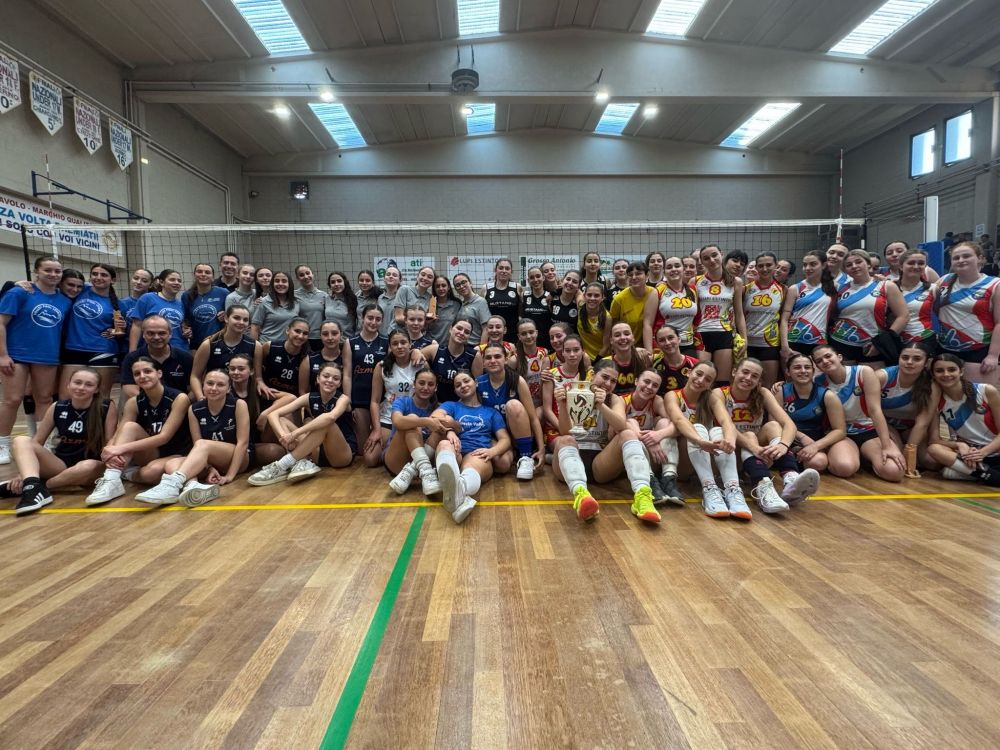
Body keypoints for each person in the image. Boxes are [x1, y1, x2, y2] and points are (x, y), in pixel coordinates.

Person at [549, 359, 661, 524]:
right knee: (565, 439)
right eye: (605, 377)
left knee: (628, 434)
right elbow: (565, 431)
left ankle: (643, 496)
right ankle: (581, 495)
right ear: (593, 374)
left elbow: (621, 425)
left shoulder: (613, 399)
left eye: (613, 381)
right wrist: (562, 403)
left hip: (600, 462)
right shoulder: (573, 391)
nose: (608, 384)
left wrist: (601, 405)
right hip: (571, 456)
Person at [1, 368, 115, 514]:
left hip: (92, 466)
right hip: (60, 464)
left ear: (97, 389)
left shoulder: (105, 406)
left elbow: (110, 441)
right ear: (68, 385)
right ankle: (31, 484)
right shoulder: (58, 407)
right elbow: (37, 441)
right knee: (21, 440)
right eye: (77, 382)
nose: (81, 387)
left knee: (87, 466)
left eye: (88, 384)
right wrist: (21, 474)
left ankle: (39, 487)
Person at [84, 357, 193, 505]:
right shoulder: (133, 402)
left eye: (147, 371)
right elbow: (119, 433)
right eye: (137, 373)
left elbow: (164, 437)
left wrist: (120, 449)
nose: (142, 376)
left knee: (150, 473)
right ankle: (111, 479)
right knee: (129, 427)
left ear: (159, 373)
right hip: (152, 453)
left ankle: (126, 474)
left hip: (177, 453)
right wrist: (108, 449)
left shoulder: (179, 398)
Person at [135, 368, 250, 506]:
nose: (214, 388)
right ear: (203, 385)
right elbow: (197, 446)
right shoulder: (194, 409)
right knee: (172, 463)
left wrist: (230, 475)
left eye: (220, 385)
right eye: (210, 383)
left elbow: (243, 443)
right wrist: (209, 468)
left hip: (238, 459)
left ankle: (173, 484)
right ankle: (193, 487)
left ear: (228, 388)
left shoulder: (238, 404)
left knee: (203, 444)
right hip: (209, 461)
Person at [722, 359, 822, 513]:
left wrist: (783, 445)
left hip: (756, 456)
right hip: (729, 454)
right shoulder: (720, 393)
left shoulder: (762, 393)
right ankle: (762, 488)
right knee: (749, 435)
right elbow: (727, 426)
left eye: (754, 376)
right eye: (745, 372)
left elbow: (789, 425)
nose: (748, 378)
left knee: (773, 425)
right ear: (734, 372)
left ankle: (790, 478)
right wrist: (753, 447)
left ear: (759, 380)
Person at [0, 256, 72, 465]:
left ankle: (44, 444)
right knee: (12, 400)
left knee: (44, 399)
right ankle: (3, 444)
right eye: (48, 270)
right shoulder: (19, 293)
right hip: (17, 355)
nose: (53, 274)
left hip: (47, 355)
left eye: (57, 271)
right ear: (36, 271)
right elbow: (1, 322)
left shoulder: (64, 301)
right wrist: (2, 355)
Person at [248, 362, 356, 485]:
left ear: (340, 383)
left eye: (335, 378)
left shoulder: (343, 399)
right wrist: (284, 436)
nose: (330, 380)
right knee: (282, 420)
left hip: (341, 454)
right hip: (316, 450)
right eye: (326, 376)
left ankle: (283, 464)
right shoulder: (309, 397)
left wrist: (295, 433)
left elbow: (330, 417)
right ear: (318, 378)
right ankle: (301, 461)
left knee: (327, 423)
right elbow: (273, 415)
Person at [811, 345, 905, 481]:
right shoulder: (817, 382)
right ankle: (850, 455)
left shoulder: (863, 372)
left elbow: (875, 410)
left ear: (839, 357)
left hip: (868, 429)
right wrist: (780, 385)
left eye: (828, 356)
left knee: (894, 472)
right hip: (840, 433)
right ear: (817, 366)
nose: (825, 361)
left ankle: (866, 457)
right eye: (819, 361)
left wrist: (887, 446)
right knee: (844, 467)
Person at [663, 361, 745, 519]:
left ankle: (733, 490)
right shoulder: (672, 395)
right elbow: (679, 420)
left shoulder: (711, 398)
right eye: (698, 374)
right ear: (689, 372)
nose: (701, 380)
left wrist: (730, 441)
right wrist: (699, 441)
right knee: (698, 428)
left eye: (707, 379)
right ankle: (709, 488)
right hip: (684, 463)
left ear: (711, 385)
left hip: (707, 459)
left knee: (718, 431)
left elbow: (727, 422)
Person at [432, 371, 512, 524]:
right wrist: (449, 430)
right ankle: (460, 497)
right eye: (458, 385)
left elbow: (505, 439)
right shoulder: (452, 405)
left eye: (466, 381)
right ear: (455, 391)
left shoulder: (490, 412)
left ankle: (457, 492)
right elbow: (435, 416)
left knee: (471, 466)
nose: (463, 386)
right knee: (443, 444)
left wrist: (492, 451)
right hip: (456, 449)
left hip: (477, 453)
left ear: (475, 383)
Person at [910, 353, 1000, 485]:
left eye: (951, 369)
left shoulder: (986, 391)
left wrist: (982, 452)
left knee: (947, 472)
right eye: (939, 371)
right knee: (934, 449)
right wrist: (959, 445)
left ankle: (971, 474)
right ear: (933, 375)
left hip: (993, 451)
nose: (946, 374)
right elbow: (934, 441)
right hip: (969, 455)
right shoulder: (937, 402)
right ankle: (986, 475)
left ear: (961, 371)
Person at [934, 241, 1000, 384]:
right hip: (945, 348)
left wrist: (993, 355)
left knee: (977, 395)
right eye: (956, 258)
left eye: (966, 256)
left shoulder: (995, 284)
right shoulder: (944, 280)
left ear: (980, 258)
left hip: (979, 350)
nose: (961, 260)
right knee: (944, 394)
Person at [829, 249, 907, 368]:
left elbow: (903, 316)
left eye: (858, 262)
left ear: (869, 264)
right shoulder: (839, 288)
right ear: (845, 270)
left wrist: (882, 342)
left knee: (872, 379)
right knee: (846, 379)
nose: (854, 266)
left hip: (871, 345)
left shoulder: (886, 285)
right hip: (840, 343)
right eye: (849, 265)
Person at [477, 343, 545, 479]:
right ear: (483, 362)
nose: (493, 360)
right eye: (488, 358)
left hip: (517, 432)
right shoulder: (478, 383)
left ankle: (525, 456)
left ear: (506, 359)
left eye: (497, 356)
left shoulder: (517, 381)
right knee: (502, 465)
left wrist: (541, 448)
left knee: (513, 405)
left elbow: (533, 418)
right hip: (497, 435)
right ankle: (513, 454)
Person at [61, 263, 125, 399]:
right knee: (66, 396)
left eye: (104, 275)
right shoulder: (80, 290)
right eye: (95, 274)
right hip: (74, 349)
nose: (98, 277)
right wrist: (20, 284)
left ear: (113, 280)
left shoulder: (119, 304)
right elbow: (53, 283)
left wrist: (116, 330)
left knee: (100, 397)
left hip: (103, 350)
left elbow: (122, 331)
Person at [778, 353, 849, 475]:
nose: (803, 371)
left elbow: (840, 431)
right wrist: (801, 437)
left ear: (813, 371)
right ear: (788, 372)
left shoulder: (827, 395)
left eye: (807, 367)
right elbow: (774, 422)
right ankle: (790, 467)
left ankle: (795, 467)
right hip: (785, 440)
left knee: (819, 462)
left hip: (814, 441)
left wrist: (816, 446)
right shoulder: (780, 391)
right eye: (797, 367)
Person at [623, 369, 683, 506]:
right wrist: (650, 442)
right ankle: (649, 479)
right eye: (646, 381)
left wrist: (658, 435)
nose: (649, 387)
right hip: (625, 455)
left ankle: (669, 478)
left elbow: (677, 426)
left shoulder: (656, 401)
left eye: (655, 385)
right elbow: (616, 429)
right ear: (636, 381)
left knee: (665, 422)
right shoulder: (622, 400)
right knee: (630, 423)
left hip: (651, 455)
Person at [385, 368, 444, 496]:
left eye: (430, 384)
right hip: (397, 460)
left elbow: (454, 426)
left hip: (420, 468)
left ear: (436, 388)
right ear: (414, 384)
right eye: (421, 383)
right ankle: (424, 469)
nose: (425, 387)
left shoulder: (438, 408)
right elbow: (397, 421)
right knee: (412, 419)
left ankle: (415, 469)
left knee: (440, 429)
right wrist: (426, 421)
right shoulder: (402, 401)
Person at [694, 244, 746, 386]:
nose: (711, 260)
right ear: (702, 262)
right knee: (701, 380)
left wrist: (744, 338)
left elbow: (739, 313)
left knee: (722, 382)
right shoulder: (696, 281)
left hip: (724, 334)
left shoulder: (735, 282)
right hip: (701, 334)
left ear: (721, 255)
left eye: (714, 255)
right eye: (706, 258)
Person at [366, 330, 420, 467]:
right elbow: (374, 401)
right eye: (395, 344)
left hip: (412, 417)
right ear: (390, 347)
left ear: (410, 344)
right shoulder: (381, 366)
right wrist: (376, 429)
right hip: (388, 418)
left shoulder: (420, 364)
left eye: (403, 342)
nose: (399, 346)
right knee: (370, 459)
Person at [226, 352, 289, 465]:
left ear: (251, 371)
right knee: (274, 452)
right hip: (234, 441)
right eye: (232, 369)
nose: (236, 372)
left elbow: (291, 397)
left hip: (255, 440)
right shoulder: (225, 391)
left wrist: (266, 413)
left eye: (241, 369)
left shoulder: (258, 389)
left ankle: (298, 456)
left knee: (284, 414)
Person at [189, 305, 260, 400]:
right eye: (236, 318)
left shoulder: (255, 346)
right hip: (213, 394)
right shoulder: (209, 344)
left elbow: (258, 378)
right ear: (226, 318)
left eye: (245, 320)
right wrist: (201, 398)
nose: (241, 322)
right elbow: (195, 376)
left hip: (242, 396)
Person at [780, 248, 837, 359]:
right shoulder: (795, 288)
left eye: (813, 264)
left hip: (819, 342)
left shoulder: (833, 287)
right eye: (805, 265)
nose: (807, 268)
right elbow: (784, 319)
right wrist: (785, 346)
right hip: (794, 341)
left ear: (823, 265)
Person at [120, 316, 194, 399]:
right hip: (144, 404)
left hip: (179, 403)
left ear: (170, 334)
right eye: (150, 333)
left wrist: (180, 403)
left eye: (162, 333)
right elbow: (130, 389)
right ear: (143, 334)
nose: (156, 337)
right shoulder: (132, 358)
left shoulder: (185, 358)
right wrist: (154, 404)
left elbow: (192, 389)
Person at [350, 305, 389, 456]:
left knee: (377, 447)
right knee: (362, 450)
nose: (373, 322)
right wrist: (348, 400)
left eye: (378, 319)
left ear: (382, 321)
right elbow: (347, 375)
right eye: (370, 318)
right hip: (359, 399)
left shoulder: (386, 342)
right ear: (362, 318)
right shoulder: (351, 342)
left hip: (380, 399)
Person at [742, 252, 785, 386]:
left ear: (776, 266)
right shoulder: (745, 289)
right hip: (747, 343)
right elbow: (739, 316)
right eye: (760, 266)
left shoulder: (783, 290)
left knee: (768, 386)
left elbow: (784, 319)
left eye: (768, 265)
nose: (764, 269)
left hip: (770, 344)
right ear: (756, 268)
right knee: (746, 384)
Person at [541, 333, 587, 448]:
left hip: (581, 427)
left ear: (583, 352)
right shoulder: (550, 375)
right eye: (568, 350)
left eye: (576, 350)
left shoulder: (589, 375)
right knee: (569, 445)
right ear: (562, 353)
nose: (572, 354)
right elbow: (547, 410)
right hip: (555, 428)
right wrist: (563, 428)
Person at [129, 269, 188, 352]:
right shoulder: (148, 298)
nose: (177, 283)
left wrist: (187, 331)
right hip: (153, 349)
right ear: (161, 282)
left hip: (179, 349)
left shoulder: (180, 304)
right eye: (172, 280)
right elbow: (137, 325)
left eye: (179, 281)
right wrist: (132, 352)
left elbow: (182, 327)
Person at [258, 317, 310, 401]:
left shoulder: (307, 357)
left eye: (305, 333)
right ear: (287, 330)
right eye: (297, 331)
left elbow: (303, 392)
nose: (301, 336)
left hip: (292, 401)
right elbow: (257, 371)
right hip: (268, 394)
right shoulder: (270, 347)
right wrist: (261, 383)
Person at [610, 261, 658, 351]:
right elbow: (612, 327)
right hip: (627, 347)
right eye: (630, 275)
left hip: (651, 346)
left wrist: (649, 352)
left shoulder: (653, 293)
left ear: (647, 275)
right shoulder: (619, 299)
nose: (634, 277)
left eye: (638, 274)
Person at [896, 248, 937, 351]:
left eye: (921, 263)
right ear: (901, 266)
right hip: (894, 340)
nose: (916, 266)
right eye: (911, 263)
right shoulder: (888, 287)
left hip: (924, 340)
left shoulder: (933, 288)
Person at [656, 256, 698, 357]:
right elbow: (648, 323)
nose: (673, 269)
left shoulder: (693, 290)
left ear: (683, 269)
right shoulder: (658, 290)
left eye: (677, 266)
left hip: (688, 344)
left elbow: (697, 318)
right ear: (664, 272)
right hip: (666, 344)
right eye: (669, 267)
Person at [431, 317, 478, 402]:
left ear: (469, 336)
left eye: (467, 332)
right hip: (435, 403)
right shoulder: (435, 350)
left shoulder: (474, 355)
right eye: (459, 328)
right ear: (450, 329)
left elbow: (477, 385)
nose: (462, 333)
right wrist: (415, 352)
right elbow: (410, 357)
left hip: (460, 405)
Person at [300, 320, 352, 396]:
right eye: (325, 334)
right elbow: (302, 391)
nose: (330, 338)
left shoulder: (348, 359)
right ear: (320, 336)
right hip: (314, 402)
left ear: (341, 334)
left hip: (340, 402)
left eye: (334, 333)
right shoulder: (309, 360)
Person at [183, 263, 229, 348]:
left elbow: (232, 313)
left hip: (219, 342)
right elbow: (185, 319)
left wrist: (226, 314)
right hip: (196, 343)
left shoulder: (223, 293)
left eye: (207, 272)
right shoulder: (187, 295)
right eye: (199, 271)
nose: (203, 274)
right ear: (194, 275)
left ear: (213, 277)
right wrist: (185, 329)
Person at [250, 271, 300, 343]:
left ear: (290, 284)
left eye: (284, 281)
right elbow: (255, 327)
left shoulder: (296, 302)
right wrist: (254, 347)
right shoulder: (263, 302)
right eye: (277, 281)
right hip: (267, 345)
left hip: (288, 346)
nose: (280, 283)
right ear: (272, 284)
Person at [607, 321, 652, 395]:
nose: (622, 337)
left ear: (633, 337)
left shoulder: (644, 358)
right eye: (617, 335)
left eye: (626, 334)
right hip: (614, 401)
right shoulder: (605, 363)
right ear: (611, 340)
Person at [652, 325, 699, 395]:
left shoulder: (695, 364)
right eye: (662, 340)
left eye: (670, 338)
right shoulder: (653, 363)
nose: (667, 343)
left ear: (679, 339)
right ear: (657, 344)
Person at [513, 318, 549, 409]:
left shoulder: (544, 352)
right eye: (524, 334)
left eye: (531, 332)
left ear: (536, 333)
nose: (528, 336)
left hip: (543, 401)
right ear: (519, 336)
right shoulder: (514, 360)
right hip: (523, 404)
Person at [293, 264, 329, 350]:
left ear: (312, 274)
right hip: (301, 337)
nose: (306, 277)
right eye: (301, 275)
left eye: (308, 273)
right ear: (297, 278)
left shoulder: (324, 295)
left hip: (320, 338)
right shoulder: (293, 295)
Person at [452, 273, 491, 345]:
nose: (461, 286)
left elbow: (486, 328)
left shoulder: (481, 302)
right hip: (460, 346)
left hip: (474, 346)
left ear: (470, 283)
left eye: (464, 282)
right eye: (457, 285)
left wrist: (481, 348)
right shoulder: (460, 304)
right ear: (456, 290)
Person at [578, 282, 610, 360]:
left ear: (602, 298)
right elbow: (576, 291)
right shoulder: (580, 306)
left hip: (601, 358)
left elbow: (606, 346)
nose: (592, 298)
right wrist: (553, 293)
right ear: (584, 296)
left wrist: (595, 362)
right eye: (589, 295)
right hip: (584, 357)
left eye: (596, 295)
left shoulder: (607, 317)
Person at [521, 267, 552, 348]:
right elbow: (520, 315)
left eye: (538, 276)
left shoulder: (550, 296)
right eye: (532, 277)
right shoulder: (524, 296)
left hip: (546, 341)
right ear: (528, 281)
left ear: (543, 278)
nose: (535, 280)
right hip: (529, 341)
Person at [428, 275, 461, 346]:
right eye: (437, 286)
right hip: (430, 344)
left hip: (448, 346)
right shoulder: (429, 304)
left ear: (448, 287)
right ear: (434, 289)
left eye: (443, 285)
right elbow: (422, 327)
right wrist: (427, 322)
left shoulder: (456, 305)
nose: (441, 288)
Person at [325, 271, 357, 336]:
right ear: (330, 285)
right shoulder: (327, 298)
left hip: (347, 338)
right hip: (330, 338)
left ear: (344, 282)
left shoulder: (353, 299)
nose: (336, 284)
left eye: (339, 281)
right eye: (333, 282)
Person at [375, 266, 402, 337]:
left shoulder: (403, 297)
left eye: (394, 275)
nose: (391, 276)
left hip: (397, 337)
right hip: (380, 337)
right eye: (388, 274)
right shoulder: (379, 298)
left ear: (399, 280)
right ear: (384, 279)